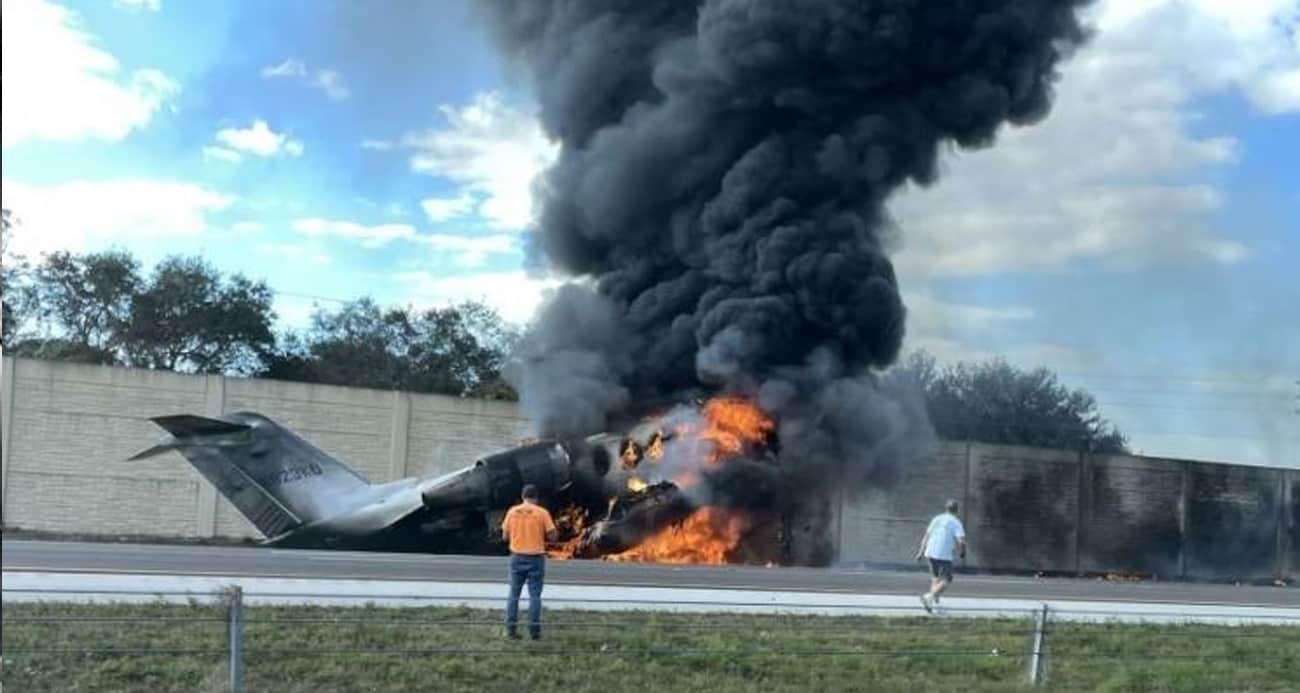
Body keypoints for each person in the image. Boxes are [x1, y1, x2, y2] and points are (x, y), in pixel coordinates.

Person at [501, 484, 557, 640]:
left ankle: (510, 630)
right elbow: (553, 536)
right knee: (535, 596)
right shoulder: (542, 513)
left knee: (514, 594)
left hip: (517, 557)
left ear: (522, 497)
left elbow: (505, 537)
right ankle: (534, 632)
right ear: (536, 498)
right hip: (536, 558)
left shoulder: (512, 512)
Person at [915, 498, 966, 613]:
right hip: (944, 554)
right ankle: (928, 597)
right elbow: (961, 540)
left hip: (930, 552)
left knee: (935, 578)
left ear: (946, 508)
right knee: (947, 579)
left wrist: (920, 552)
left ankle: (931, 604)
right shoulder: (956, 522)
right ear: (957, 510)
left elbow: (926, 536)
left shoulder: (936, 518)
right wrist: (963, 551)